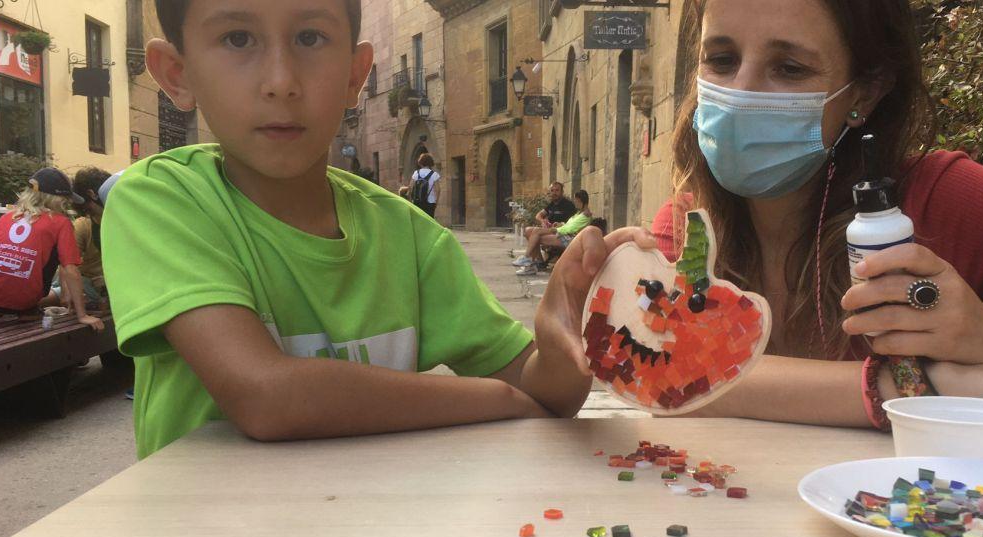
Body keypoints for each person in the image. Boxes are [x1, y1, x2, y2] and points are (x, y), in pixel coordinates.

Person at [102, 0, 652, 458]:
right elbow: (266, 396)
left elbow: (544, 390)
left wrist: (565, 321)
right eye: (238, 39)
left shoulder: (407, 236)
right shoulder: (162, 201)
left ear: (355, 75)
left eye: (311, 38)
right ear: (178, 73)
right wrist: (499, 399)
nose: (280, 81)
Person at [650, 0, 983, 425]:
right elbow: (669, 373)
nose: (741, 92)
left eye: (789, 68)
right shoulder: (690, 227)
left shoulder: (951, 203)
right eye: (721, 58)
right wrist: (937, 388)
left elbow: (700, 380)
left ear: (865, 92)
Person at [0, 167, 104, 332]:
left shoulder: (6, 217)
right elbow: (70, 269)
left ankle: (0, 307)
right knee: (56, 253)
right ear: (56, 199)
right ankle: (24, 308)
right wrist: (82, 315)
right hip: (24, 299)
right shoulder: (60, 222)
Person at [515, 190, 594, 276]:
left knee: (536, 235)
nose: (575, 202)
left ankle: (528, 260)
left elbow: (571, 229)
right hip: (564, 234)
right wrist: (560, 224)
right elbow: (570, 224)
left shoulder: (585, 214)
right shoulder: (579, 213)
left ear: (580, 200)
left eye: (575, 200)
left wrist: (555, 229)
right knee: (532, 232)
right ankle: (530, 262)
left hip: (570, 238)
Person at [69, 167, 112, 307]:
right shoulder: (83, 225)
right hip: (88, 285)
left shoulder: (126, 221)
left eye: (88, 209)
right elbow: (68, 266)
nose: (91, 215)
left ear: (92, 194)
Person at [409, 153, 440, 218]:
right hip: (430, 202)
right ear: (431, 162)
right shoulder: (434, 174)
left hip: (417, 201)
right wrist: (436, 202)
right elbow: (438, 190)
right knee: (429, 222)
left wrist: (411, 199)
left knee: (418, 221)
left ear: (420, 162)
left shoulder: (416, 173)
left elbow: (410, 187)